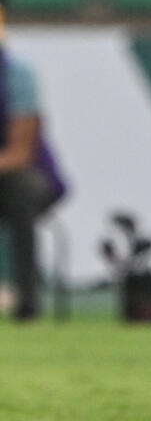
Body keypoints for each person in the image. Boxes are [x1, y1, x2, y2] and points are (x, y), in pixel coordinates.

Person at [0, 37, 66, 321]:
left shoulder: (16, 74)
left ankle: (27, 299)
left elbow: (19, 153)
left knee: (21, 191)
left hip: (24, 177)